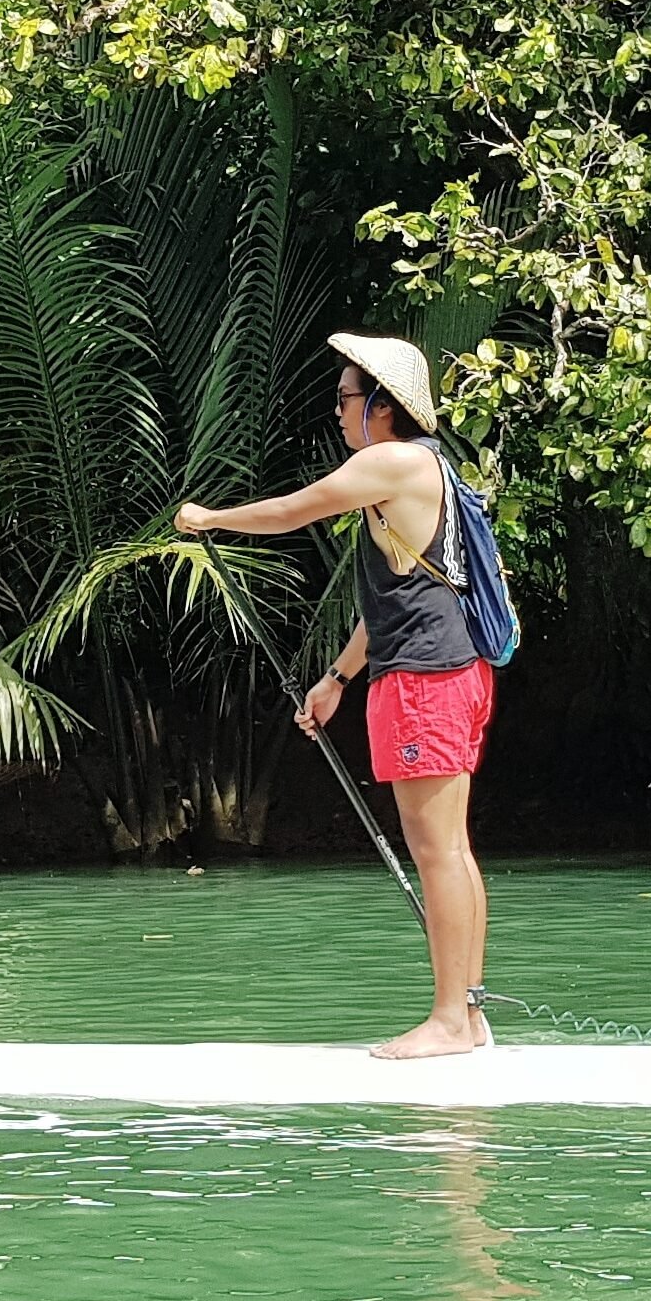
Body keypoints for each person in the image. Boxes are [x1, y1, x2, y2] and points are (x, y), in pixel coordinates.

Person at [175, 333, 495, 1059]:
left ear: (382, 406)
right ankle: (466, 1015)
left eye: (346, 398)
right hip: (444, 674)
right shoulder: (422, 471)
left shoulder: (389, 461)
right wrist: (337, 679)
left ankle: (449, 1022)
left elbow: (292, 511)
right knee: (451, 849)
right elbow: (396, 601)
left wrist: (210, 518)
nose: (339, 412)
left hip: (425, 682)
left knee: (438, 852)